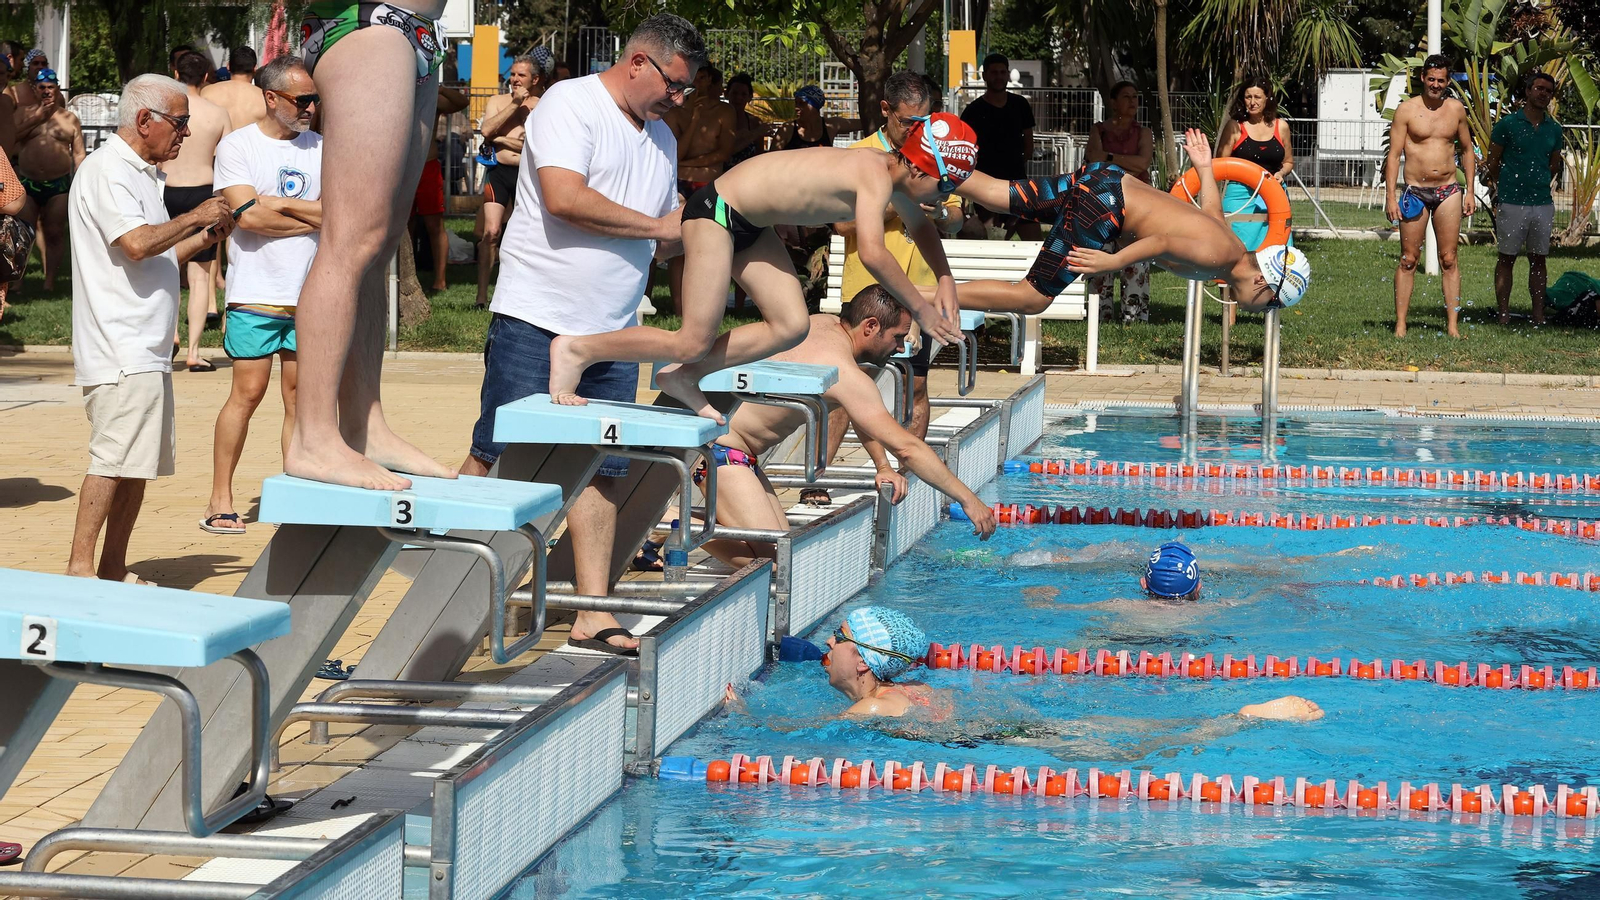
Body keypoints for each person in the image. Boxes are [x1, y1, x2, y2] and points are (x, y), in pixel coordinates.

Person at [463, 14, 706, 654]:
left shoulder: (661, 137)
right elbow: (565, 198)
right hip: (537, 316)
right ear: (637, 62)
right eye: (674, 86)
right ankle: (452, 603)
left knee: (603, 467)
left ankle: (592, 610)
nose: (679, 100)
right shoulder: (571, 105)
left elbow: (664, 230)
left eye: (686, 91)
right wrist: (659, 230)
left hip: (614, 331)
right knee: (498, 456)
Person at [546, 113, 973, 423]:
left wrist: (946, 277)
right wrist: (920, 309)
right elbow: (874, 254)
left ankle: (685, 377)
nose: (946, 196)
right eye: (946, 185)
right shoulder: (873, 172)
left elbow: (921, 227)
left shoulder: (897, 181)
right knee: (692, 338)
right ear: (920, 167)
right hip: (717, 213)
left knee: (792, 325)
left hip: (750, 224)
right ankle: (578, 349)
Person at [286, 0, 462, 490]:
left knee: (378, 247)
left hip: (415, 35)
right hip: (370, 28)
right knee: (350, 242)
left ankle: (365, 427)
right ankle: (313, 438)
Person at [697, 287, 998, 570]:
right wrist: (968, 500)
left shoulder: (819, 325)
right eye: (897, 336)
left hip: (737, 454)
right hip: (720, 454)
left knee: (785, 549)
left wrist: (882, 465)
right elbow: (908, 448)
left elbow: (859, 412)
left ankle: (683, 524)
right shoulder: (843, 369)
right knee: (778, 566)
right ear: (870, 327)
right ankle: (671, 526)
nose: (901, 346)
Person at [66, 75, 234, 583]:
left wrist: (205, 233)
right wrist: (196, 215)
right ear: (145, 121)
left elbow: (157, 255)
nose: (185, 135)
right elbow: (137, 244)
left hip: (146, 346)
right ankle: (80, 568)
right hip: (121, 344)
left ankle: (113, 568)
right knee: (112, 461)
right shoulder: (108, 170)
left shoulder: (142, 173)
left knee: (136, 466)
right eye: (180, 124)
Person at [931, 129, 1311, 318]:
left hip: (1104, 181)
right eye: (1272, 304)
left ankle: (927, 160)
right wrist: (1111, 262)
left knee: (1001, 194)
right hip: (1106, 204)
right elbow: (1161, 241)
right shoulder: (1219, 258)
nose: (1265, 311)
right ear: (1263, 281)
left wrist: (1205, 168)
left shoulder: (1228, 249)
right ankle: (921, 298)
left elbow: (1211, 212)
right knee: (1031, 299)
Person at [796, 607, 1325, 731]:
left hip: (1013, 738)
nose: (828, 642)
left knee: (1149, 743)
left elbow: (805, 736)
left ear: (863, 658)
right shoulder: (901, 688)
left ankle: (1248, 713)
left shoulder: (869, 707)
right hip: (1004, 727)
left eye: (839, 637)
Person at [201, 56, 322, 536]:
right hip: (256, 292)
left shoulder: (323, 147)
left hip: (312, 295)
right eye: (302, 100)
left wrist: (283, 203)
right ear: (271, 98)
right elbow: (247, 218)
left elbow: (341, 213)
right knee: (247, 395)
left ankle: (297, 492)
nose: (311, 107)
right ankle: (220, 498)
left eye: (315, 99)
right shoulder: (237, 146)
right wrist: (310, 215)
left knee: (300, 400)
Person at [833, 72, 963, 449]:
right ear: (885, 110)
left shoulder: (936, 153)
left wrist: (938, 215)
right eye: (908, 122)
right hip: (867, 291)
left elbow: (956, 219)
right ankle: (816, 481)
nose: (915, 131)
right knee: (850, 384)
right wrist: (899, 206)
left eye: (923, 121)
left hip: (917, 289)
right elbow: (843, 225)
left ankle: (910, 467)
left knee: (916, 385)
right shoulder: (858, 155)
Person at [1384, 55, 1475, 338]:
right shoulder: (1406, 110)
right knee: (1409, 259)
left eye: (1442, 80)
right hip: (1415, 192)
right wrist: (1390, 196)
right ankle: (1401, 323)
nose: (1436, 85)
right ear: (1422, 78)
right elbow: (1394, 155)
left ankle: (1452, 326)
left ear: (1448, 82)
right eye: (1431, 79)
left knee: (1449, 258)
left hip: (1449, 190)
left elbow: (1467, 150)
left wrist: (1470, 190)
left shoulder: (1456, 109)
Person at [163, 51, 231, 371]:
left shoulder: (166, 112)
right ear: (206, 77)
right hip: (203, 191)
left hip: (167, 189)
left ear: (175, 73)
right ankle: (193, 351)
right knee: (201, 275)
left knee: (166, 268)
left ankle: (171, 333)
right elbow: (228, 160)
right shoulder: (217, 113)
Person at [1485, 71, 1564, 327]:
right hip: (1511, 202)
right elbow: (1493, 161)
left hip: (1542, 203)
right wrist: (1504, 185)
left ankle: (1538, 314)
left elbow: (1553, 165)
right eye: (1539, 88)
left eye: (1548, 91)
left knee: (1538, 259)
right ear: (1528, 91)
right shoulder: (1508, 125)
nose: (1543, 94)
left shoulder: (1554, 129)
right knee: (1506, 258)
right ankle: (1504, 313)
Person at [475, 51, 550, 309]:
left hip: (527, 176)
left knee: (526, 237)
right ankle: (481, 296)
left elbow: (537, 145)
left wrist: (501, 140)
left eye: (522, 75)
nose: (515, 79)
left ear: (535, 79)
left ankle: (519, 295)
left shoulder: (543, 105)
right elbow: (486, 131)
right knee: (491, 232)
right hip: (498, 173)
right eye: (513, 74)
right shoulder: (498, 101)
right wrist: (515, 105)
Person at [1084, 81, 1154, 324]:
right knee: (1101, 256)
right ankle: (1098, 317)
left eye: (1135, 97)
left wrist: (1110, 157)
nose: (1133, 101)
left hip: (1137, 205)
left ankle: (1133, 319)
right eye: (1126, 97)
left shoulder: (1144, 133)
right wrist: (1126, 162)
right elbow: (1094, 160)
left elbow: (1142, 163)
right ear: (1113, 102)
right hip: (1103, 203)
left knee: (1136, 258)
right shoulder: (1098, 130)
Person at [14, 68, 82, 293]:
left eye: (50, 87)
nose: (46, 91)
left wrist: (81, 182)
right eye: (41, 87)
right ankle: (18, 281)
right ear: (35, 90)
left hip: (58, 184)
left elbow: (79, 153)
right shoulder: (24, 113)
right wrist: (37, 118)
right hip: (28, 182)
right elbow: (12, 137)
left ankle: (49, 282)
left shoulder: (69, 118)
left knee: (55, 233)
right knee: (23, 233)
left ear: (57, 89)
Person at [960, 53, 1038, 240]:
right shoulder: (973, 111)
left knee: (1035, 242)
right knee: (990, 241)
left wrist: (1019, 162)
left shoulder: (1020, 104)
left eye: (1003, 72)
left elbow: (1028, 141)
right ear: (985, 75)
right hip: (985, 187)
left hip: (1017, 184)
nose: (999, 76)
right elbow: (965, 150)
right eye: (994, 72)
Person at [412, 84, 469, 292]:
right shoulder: (397, 92)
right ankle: (410, 278)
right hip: (403, 169)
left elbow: (463, 102)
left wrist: (439, 88)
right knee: (404, 228)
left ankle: (440, 281)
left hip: (427, 165)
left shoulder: (431, 98)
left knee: (435, 226)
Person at [201, 46, 267, 132]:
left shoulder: (207, 92)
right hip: (248, 144)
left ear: (228, 66)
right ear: (255, 68)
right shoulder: (263, 98)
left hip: (217, 144)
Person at [723, 72, 770, 170]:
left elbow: (759, 155)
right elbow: (725, 152)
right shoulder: (718, 120)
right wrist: (754, 134)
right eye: (735, 93)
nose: (739, 98)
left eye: (744, 94)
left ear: (750, 97)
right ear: (726, 94)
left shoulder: (755, 123)